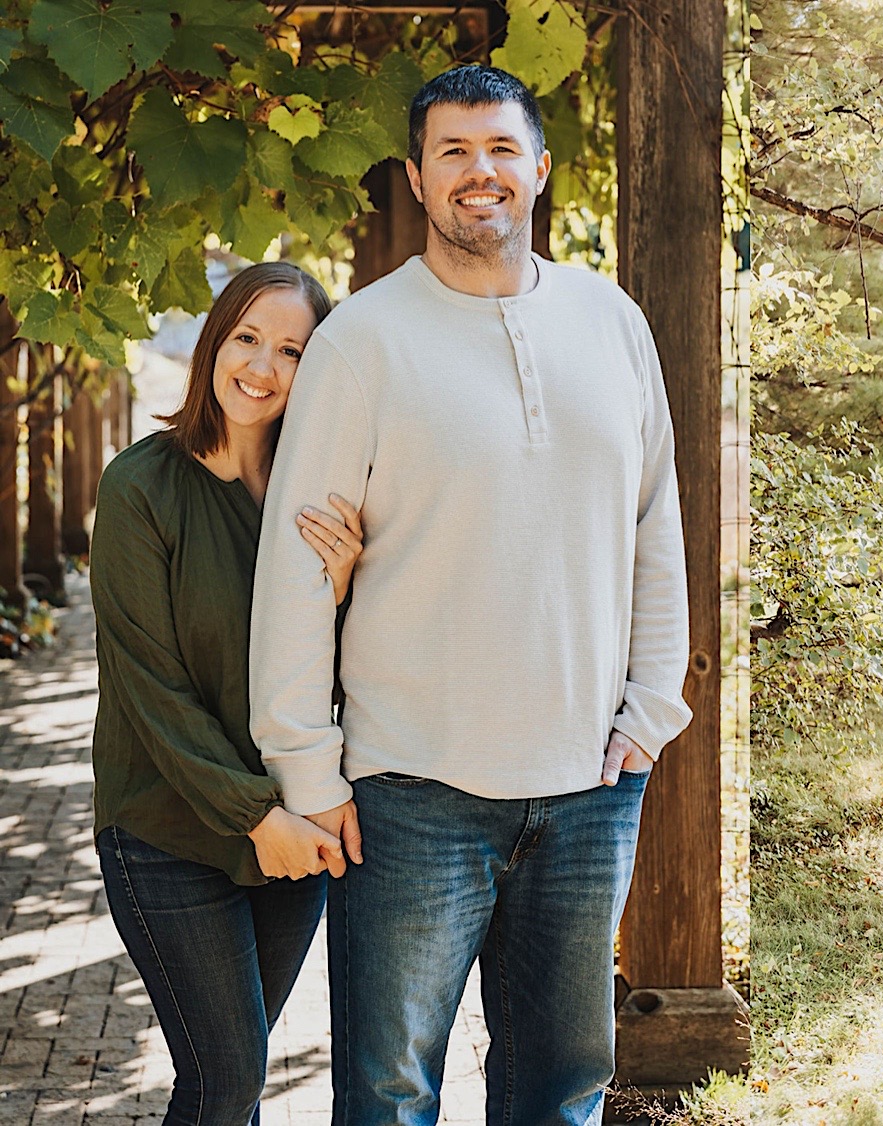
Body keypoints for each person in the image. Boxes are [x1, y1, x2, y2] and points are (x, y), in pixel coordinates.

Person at [247, 65, 691, 1126]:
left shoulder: (613, 321)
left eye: (499, 149)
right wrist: (306, 767)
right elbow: (300, 568)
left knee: (561, 1093)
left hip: (588, 787)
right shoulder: (361, 340)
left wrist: (652, 708)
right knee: (392, 1096)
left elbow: (655, 527)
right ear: (417, 177)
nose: (477, 172)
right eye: (452, 152)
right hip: (412, 794)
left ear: (538, 168)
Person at [90, 261, 366, 1124]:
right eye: (247, 337)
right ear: (214, 341)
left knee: (231, 1082)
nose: (262, 365)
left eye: (291, 349)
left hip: (294, 835)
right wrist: (258, 817)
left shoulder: (321, 497)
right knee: (226, 1080)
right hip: (170, 833)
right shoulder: (140, 488)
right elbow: (154, 694)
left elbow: (351, 667)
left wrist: (353, 586)